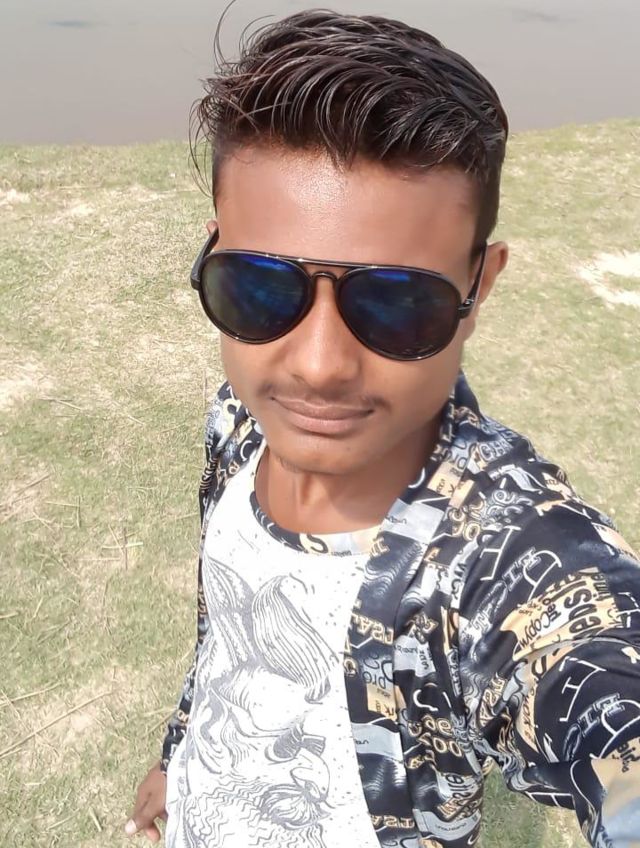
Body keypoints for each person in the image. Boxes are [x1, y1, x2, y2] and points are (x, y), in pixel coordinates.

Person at [125, 9, 640, 847]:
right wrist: (180, 754)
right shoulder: (240, 422)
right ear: (212, 254)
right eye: (262, 288)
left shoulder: (506, 558)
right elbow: (227, 632)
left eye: (397, 302)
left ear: (480, 284)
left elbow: (600, 689)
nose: (317, 366)